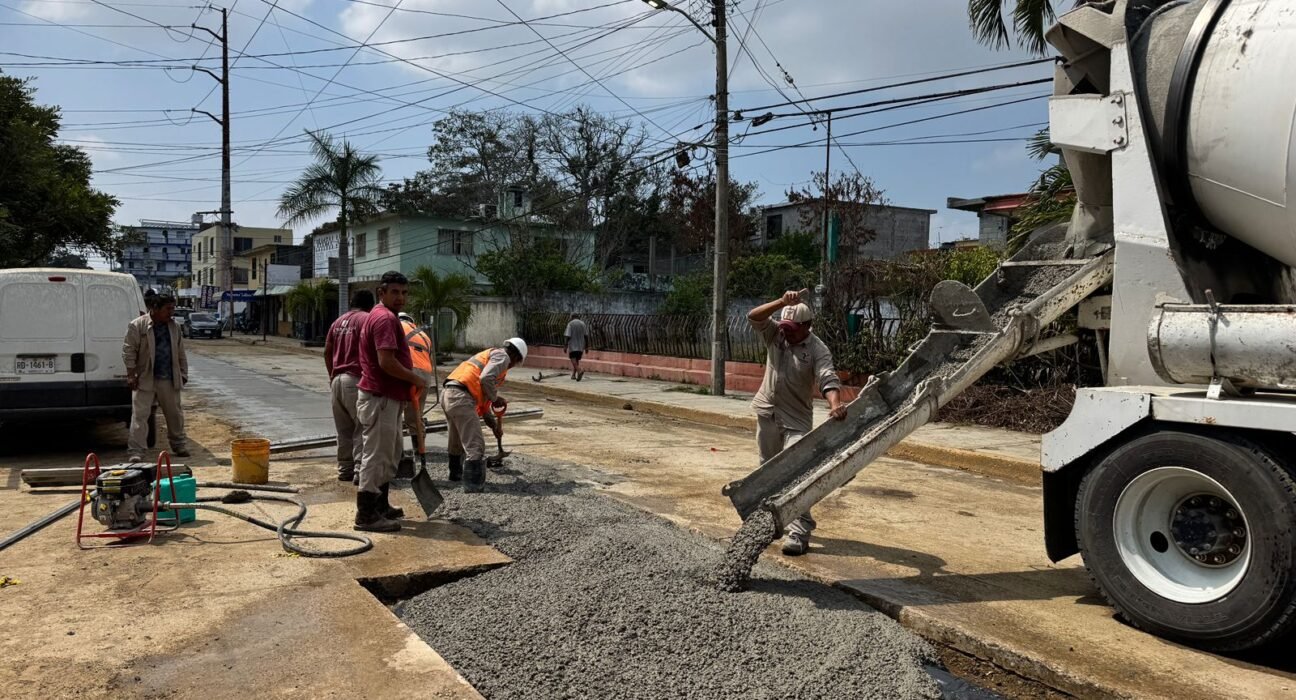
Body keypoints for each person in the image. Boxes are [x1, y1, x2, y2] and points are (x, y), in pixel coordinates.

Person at [748, 290, 848, 556]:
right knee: (767, 472)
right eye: (784, 327)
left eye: (792, 329)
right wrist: (781, 302)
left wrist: (835, 405)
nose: (786, 333)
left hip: (796, 419)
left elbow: (827, 378)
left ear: (807, 326)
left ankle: (800, 532)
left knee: (795, 475)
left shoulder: (817, 349)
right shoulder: (776, 334)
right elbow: (753, 317)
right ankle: (770, 521)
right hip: (768, 411)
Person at [354, 272, 428, 533]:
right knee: (377, 457)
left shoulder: (383, 315)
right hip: (380, 398)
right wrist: (415, 378)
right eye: (395, 292)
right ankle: (366, 516)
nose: (401, 298)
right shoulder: (384, 318)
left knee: (389, 454)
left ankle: (380, 506)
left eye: (405, 293)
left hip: (387, 397)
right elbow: (386, 362)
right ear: (381, 292)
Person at [442, 337, 528, 492]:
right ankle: (473, 486)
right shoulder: (503, 357)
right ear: (516, 356)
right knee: (476, 445)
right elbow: (486, 378)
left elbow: (483, 405)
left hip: (450, 393)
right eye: (516, 362)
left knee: (456, 441)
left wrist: (494, 425)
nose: (512, 366)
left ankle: (455, 475)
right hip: (461, 397)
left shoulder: (489, 356)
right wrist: (496, 398)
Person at [123, 293, 189, 462]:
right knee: (140, 416)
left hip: (168, 378)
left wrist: (183, 373)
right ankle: (136, 451)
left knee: (174, 414)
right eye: (168, 309)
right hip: (145, 378)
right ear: (155, 308)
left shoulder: (174, 327)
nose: (171, 312)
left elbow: (180, 352)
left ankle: (179, 445)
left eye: (173, 308)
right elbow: (129, 351)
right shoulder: (137, 325)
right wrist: (131, 374)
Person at [325, 289, 375, 483]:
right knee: (362, 427)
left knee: (344, 430)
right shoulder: (366, 320)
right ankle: (359, 470)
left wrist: (332, 375)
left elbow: (327, 351)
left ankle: (344, 469)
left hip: (337, 381)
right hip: (356, 380)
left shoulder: (338, 322)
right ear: (370, 304)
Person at [399, 311, 435, 474]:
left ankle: (398, 456)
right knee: (415, 417)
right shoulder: (424, 335)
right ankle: (419, 455)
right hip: (424, 375)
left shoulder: (395, 326)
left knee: (395, 413)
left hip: (406, 370)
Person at [564, 313, 588, 380]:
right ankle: (574, 375)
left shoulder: (570, 324)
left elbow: (568, 336)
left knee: (573, 360)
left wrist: (565, 345)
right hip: (581, 346)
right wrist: (586, 346)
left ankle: (579, 370)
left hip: (573, 345)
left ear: (572, 317)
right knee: (577, 360)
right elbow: (586, 336)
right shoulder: (583, 324)